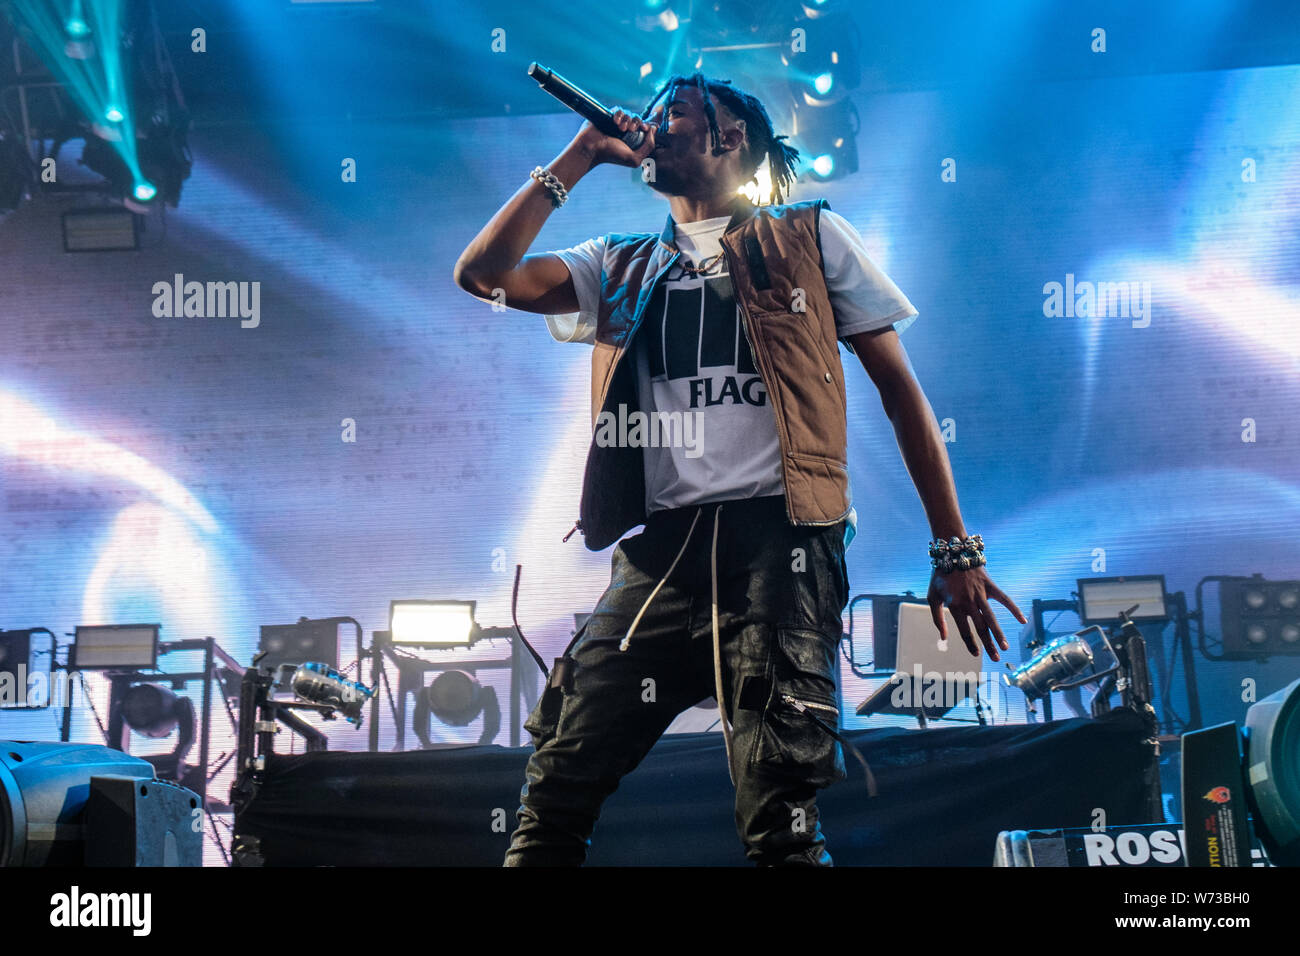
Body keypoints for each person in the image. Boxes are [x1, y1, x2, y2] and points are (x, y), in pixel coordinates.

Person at [453, 73, 1025, 866]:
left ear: (731, 140)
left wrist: (954, 549)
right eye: (648, 117)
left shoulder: (809, 236)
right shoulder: (616, 263)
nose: (651, 127)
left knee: (778, 814)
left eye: (673, 115)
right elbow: (482, 274)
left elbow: (902, 393)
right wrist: (581, 154)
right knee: (554, 790)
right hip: (661, 557)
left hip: (781, 549)